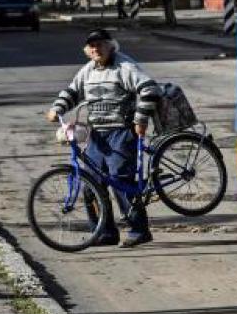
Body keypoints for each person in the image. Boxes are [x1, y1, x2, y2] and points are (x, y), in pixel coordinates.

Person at [46, 29, 162, 248]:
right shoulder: (87, 70)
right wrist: (57, 109)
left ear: (111, 46)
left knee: (120, 181)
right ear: (87, 51)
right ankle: (104, 231)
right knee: (90, 185)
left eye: (100, 45)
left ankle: (139, 229)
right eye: (92, 46)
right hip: (97, 135)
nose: (96, 49)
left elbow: (150, 89)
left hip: (121, 132)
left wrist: (140, 120)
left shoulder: (124, 66)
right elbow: (72, 91)